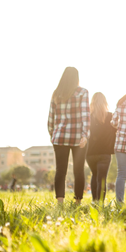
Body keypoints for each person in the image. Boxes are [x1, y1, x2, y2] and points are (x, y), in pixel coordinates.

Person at [48, 66, 90, 205]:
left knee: (61, 170)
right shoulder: (82, 92)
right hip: (78, 138)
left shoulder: (56, 93)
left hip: (59, 137)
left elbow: (51, 118)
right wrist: (85, 134)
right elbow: (85, 115)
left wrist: (52, 134)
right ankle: (77, 202)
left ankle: (60, 202)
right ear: (77, 78)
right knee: (78, 170)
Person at [86, 92, 116, 206]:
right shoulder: (110, 116)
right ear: (105, 103)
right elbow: (115, 131)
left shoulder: (88, 117)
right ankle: (100, 203)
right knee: (102, 178)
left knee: (94, 175)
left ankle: (94, 201)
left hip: (90, 153)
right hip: (104, 153)